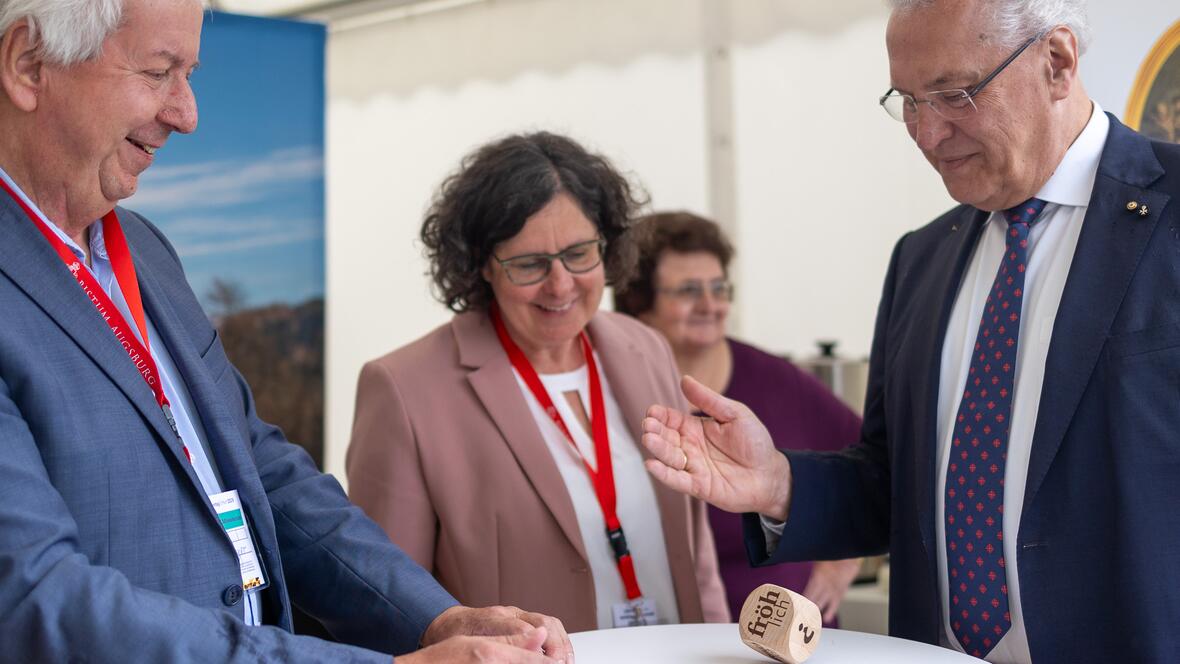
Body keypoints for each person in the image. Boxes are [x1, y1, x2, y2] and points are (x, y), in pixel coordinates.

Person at [0, 2, 571, 662]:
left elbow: (257, 467)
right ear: (30, 66)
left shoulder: (145, 251)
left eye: (189, 74)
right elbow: (37, 598)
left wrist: (435, 619)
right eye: (159, 72)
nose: (187, 114)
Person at [639, 1, 1180, 662]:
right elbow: (898, 486)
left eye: (954, 95)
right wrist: (779, 483)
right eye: (909, 102)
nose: (927, 136)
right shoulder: (922, 259)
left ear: (1057, 61)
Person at [346, 132, 730, 633]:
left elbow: (695, 552)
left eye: (579, 254)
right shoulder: (405, 389)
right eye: (530, 264)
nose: (561, 284)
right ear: (482, 264)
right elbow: (385, 600)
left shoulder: (645, 348)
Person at [614, 211, 863, 623]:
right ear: (640, 302)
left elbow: (875, 467)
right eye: (689, 290)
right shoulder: (610, 384)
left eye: (719, 288)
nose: (710, 305)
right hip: (662, 633)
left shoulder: (777, 380)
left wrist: (843, 563)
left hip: (778, 639)